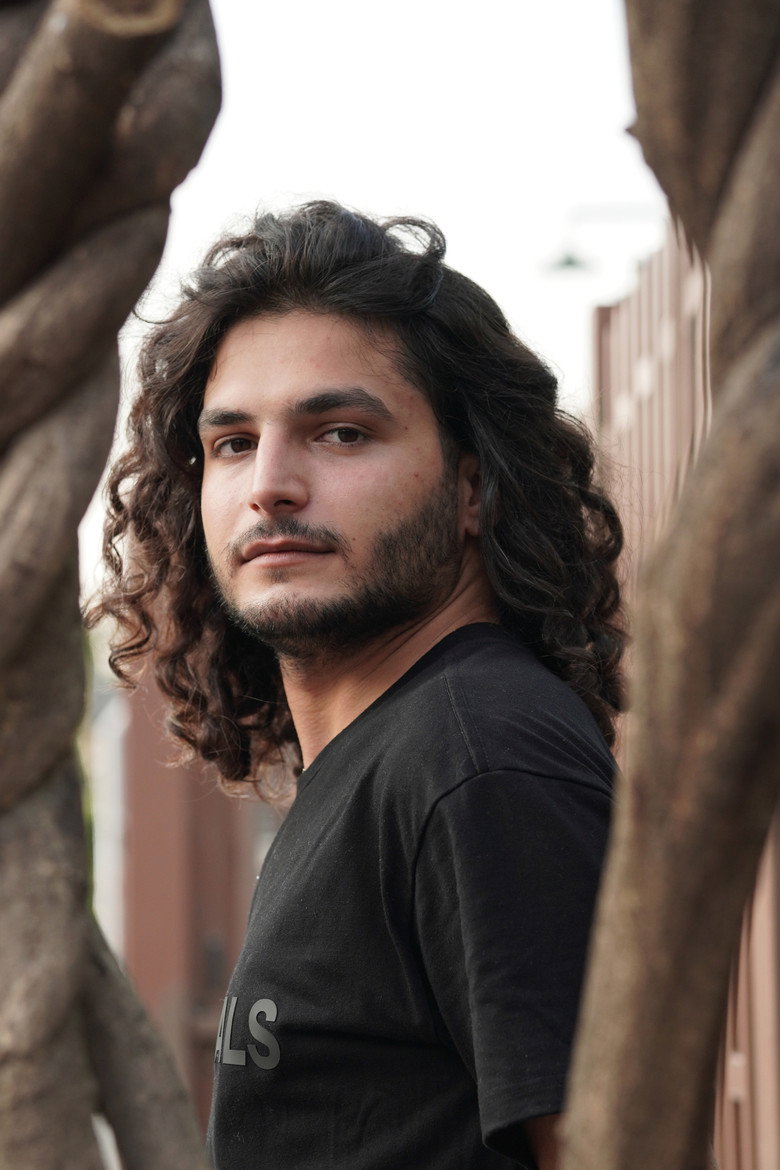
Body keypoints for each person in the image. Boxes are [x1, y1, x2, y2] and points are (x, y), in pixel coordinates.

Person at [88, 201, 626, 1170]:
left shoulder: (480, 760)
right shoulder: (390, 757)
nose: (270, 484)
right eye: (233, 443)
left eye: (339, 433)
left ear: (473, 488)